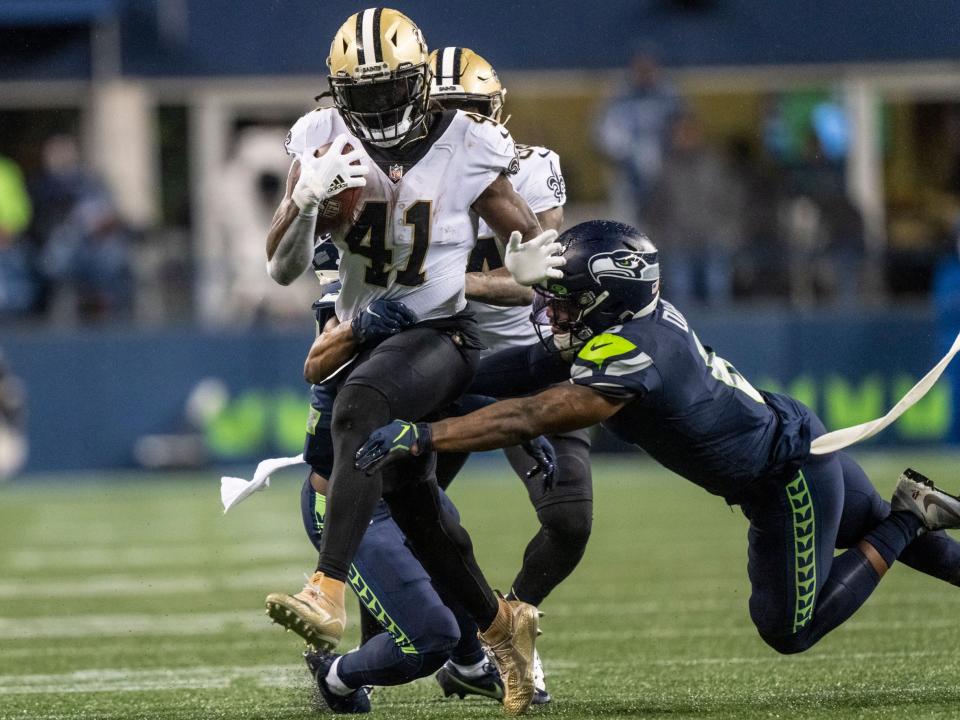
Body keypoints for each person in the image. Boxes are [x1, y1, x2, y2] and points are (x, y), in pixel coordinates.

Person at [357, 219, 960, 657]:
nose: (553, 313)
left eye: (566, 302)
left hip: (787, 479)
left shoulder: (633, 352)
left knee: (789, 630)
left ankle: (909, 516)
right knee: (880, 533)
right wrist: (430, 377)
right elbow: (516, 371)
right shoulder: (629, 323)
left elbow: (531, 415)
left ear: (607, 297)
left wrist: (426, 433)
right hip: (794, 440)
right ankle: (912, 520)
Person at [262, 10, 564, 716]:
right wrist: (305, 203)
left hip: (441, 335)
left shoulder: (470, 142)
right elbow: (281, 270)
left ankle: (326, 588)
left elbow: (534, 262)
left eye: (387, 90)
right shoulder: (320, 141)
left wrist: (527, 265)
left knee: (362, 406)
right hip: (375, 339)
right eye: (359, 96)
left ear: (420, 81)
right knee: (420, 508)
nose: (374, 110)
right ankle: (498, 627)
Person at [594, 48, 684, 227]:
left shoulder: (669, 98)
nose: (644, 75)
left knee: (667, 223)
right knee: (629, 226)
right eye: (640, 69)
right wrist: (624, 154)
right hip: (627, 173)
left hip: (668, 172)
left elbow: (685, 130)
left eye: (649, 69)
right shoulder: (618, 99)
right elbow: (604, 133)